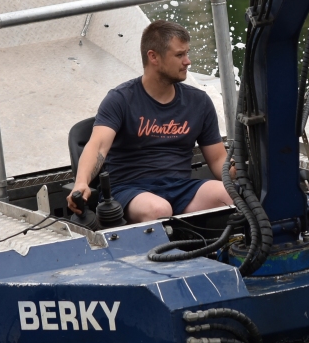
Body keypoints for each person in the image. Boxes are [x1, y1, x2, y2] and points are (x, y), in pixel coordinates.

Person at [66, 19, 234, 223]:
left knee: (231, 195)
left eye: (187, 53)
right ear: (153, 57)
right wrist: (81, 183)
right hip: (128, 190)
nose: (187, 61)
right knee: (159, 209)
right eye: (180, 55)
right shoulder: (120, 99)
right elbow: (98, 146)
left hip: (180, 188)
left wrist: (244, 171)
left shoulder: (199, 102)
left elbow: (218, 160)